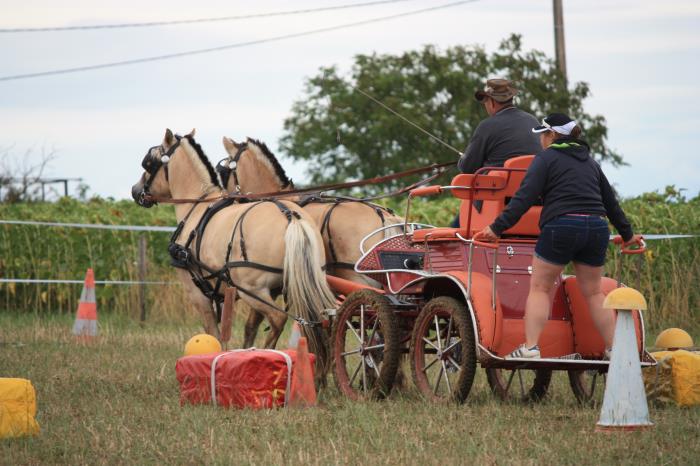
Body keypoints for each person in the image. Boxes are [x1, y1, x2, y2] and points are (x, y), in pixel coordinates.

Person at [473, 113, 643, 359]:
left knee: (540, 288)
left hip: (561, 226)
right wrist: (627, 235)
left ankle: (530, 347)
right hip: (596, 227)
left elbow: (524, 198)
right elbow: (611, 203)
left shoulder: (545, 159)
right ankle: (616, 350)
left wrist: (496, 228)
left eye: (542, 135)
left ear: (551, 135)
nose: (540, 140)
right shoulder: (591, 163)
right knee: (594, 292)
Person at [451, 78, 541, 227]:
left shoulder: (487, 126)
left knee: (455, 226)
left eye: (485, 102)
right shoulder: (533, 121)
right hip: (534, 200)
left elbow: (467, 167)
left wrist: (462, 159)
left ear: (491, 102)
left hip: (497, 201)